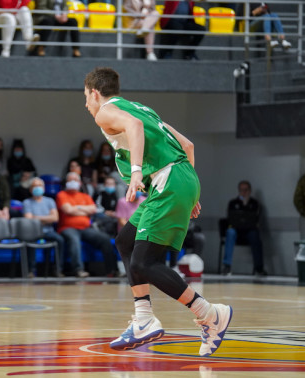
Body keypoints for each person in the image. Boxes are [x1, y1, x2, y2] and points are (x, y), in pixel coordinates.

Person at [83, 67, 231, 356]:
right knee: (125, 241)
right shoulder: (142, 107)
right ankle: (143, 319)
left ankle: (209, 313)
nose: (86, 105)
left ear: (95, 93)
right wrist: (190, 191)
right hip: (180, 178)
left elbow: (134, 128)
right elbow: (186, 144)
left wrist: (136, 171)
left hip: (169, 181)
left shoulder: (106, 112)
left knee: (145, 263)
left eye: (85, 97)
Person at [56, 172, 117, 277]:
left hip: (86, 228)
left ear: (79, 183)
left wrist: (76, 208)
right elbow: (68, 210)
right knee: (74, 241)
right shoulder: (62, 195)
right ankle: (78, 270)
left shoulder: (85, 196)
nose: (73, 182)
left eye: (75, 180)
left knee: (105, 239)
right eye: (70, 180)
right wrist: (84, 209)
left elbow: (93, 209)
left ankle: (112, 271)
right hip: (67, 228)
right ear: (66, 183)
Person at [23, 177, 66, 277]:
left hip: (48, 231)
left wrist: (36, 218)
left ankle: (57, 269)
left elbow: (55, 218)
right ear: (30, 189)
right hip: (32, 231)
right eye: (35, 186)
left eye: (40, 186)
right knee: (29, 241)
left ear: (44, 188)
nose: (38, 188)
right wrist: (47, 218)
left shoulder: (50, 201)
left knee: (60, 240)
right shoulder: (26, 202)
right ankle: (31, 270)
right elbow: (29, 220)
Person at [223, 180, 266, 276]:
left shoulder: (254, 203)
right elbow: (230, 218)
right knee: (230, 232)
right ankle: (227, 266)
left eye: (246, 190)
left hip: (249, 232)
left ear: (250, 191)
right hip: (236, 231)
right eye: (241, 190)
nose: (244, 192)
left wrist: (246, 204)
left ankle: (259, 268)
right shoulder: (233, 203)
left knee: (255, 234)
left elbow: (256, 220)